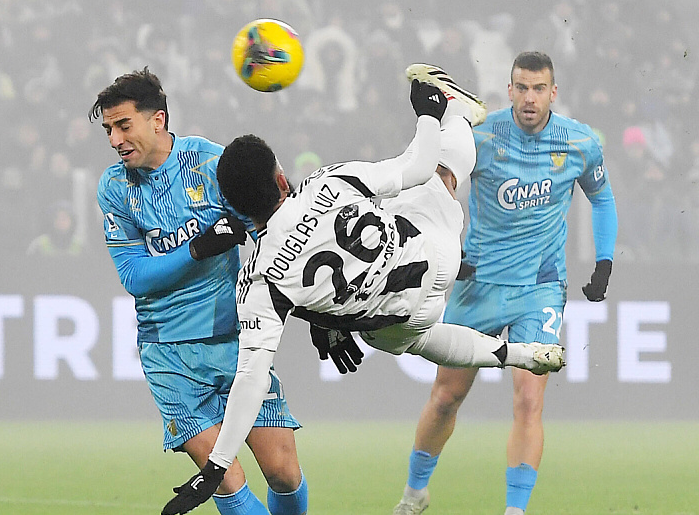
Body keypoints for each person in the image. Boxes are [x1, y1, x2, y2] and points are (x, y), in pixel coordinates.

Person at [162, 67, 566, 515]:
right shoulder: (328, 181)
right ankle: (460, 117)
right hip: (434, 254)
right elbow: (415, 167)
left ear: (233, 207)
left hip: (394, 322)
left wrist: (218, 465)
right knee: (441, 176)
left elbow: (251, 378)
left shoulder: (257, 282)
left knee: (420, 341)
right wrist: (429, 117)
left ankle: (511, 354)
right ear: (281, 179)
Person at [392, 52, 618, 515]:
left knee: (529, 400)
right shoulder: (481, 136)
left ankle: (515, 511)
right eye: (521, 88)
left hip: (541, 287)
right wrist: (447, 247)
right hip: (478, 285)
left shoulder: (580, 143)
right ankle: (415, 493)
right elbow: (438, 185)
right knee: (446, 397)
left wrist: (604, 261)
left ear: (553, 92)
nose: (530, 98)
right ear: (509, 89)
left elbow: (603, 199)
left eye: (539, 89)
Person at [90, 68, 308, 515]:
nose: (114, 139)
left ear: (158, 119)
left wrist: (321, 313)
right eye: (109, 129)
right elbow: (133, 275)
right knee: (226, 480)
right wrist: (196, 248)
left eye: (123, 125)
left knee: (284, 472)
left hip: (235, 342)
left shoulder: (212, 165)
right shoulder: (115, 188)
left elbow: (272, 233)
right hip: (169, 356)